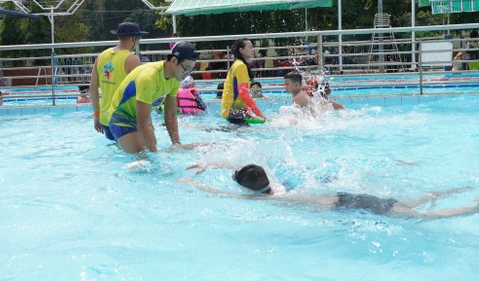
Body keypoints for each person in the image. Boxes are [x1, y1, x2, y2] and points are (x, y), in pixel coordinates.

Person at [183, 163, 479, 219]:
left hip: (349, 208)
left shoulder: (270, 202)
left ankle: (475, 205)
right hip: (348, 197)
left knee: (429, 217)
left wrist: (195, 184)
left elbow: (228, 195)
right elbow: (252, 169)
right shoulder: (280, 185)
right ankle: (459, 187)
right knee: (413, 201)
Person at [107, 41, 200, 154]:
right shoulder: (149, 78)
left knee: (151, 148)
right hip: (121, 117)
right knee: (143, 157)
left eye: (191, 70)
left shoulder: (175, 78)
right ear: (174, 61)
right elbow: (142, 123)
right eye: (186, 68)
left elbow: (170, 114)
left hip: (140, 116)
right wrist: (154, 155)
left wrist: (176, 143)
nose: (188, 74)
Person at [90, 22, 146, 141]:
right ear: (134, 38)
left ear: (119, 37)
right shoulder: (132, 59)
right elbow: (142, 91)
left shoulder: (101, 56)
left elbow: (93, 87)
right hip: (124, 120)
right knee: (137, 155)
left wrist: (96, 115)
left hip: (105, 118)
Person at [221, 38, 266, 125]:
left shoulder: (238, 64)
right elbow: (243, 93)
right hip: (233, 111)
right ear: (241, 50)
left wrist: (247, 111)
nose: (252, 50)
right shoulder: (240, 66)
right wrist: (259, 114)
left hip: (232, 109)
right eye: (250, 47)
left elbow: (239, 94)